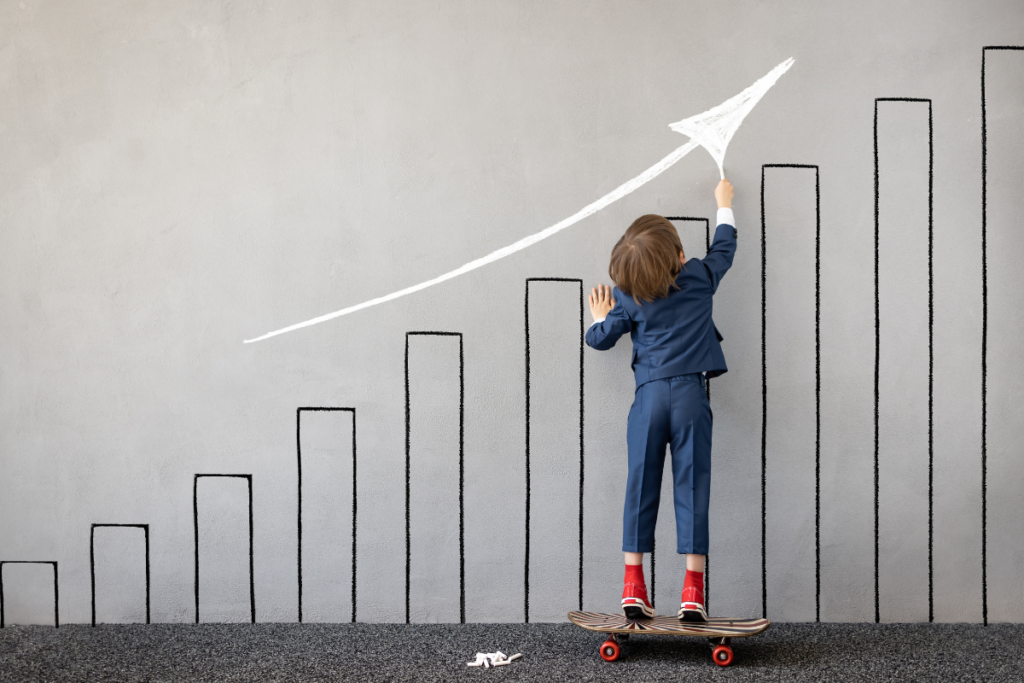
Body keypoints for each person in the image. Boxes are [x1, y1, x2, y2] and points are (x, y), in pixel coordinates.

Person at [585, 178, 736, 622]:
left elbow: (599, 341)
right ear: (676, 257)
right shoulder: (699, 278)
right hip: (691, 398)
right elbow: (724, 249)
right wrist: (723, 206)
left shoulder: (628, 298)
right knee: (692, 487)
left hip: (648, 401)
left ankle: (634, 586)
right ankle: (692, 593)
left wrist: (598, 317)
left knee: (641, 485)